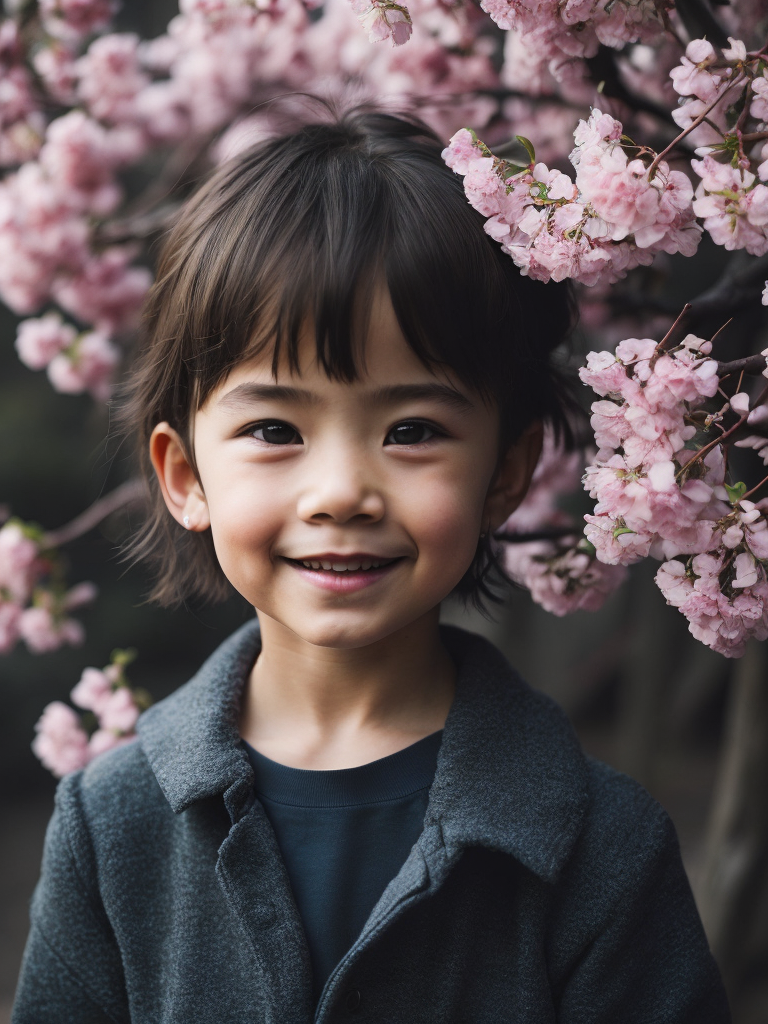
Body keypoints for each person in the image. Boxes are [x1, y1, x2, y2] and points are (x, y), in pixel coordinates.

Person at [12, 107, 730, 1023]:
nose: (342, 491)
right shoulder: (111, 826)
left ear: (505, 475)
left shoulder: (602, 848)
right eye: (275, 430)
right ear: (185, 476)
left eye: (413, 431)